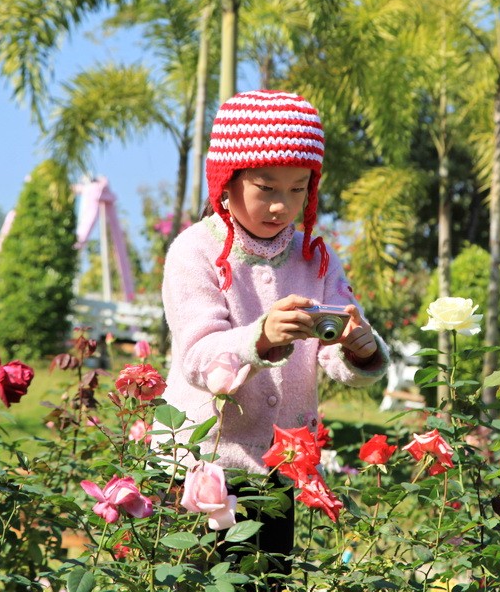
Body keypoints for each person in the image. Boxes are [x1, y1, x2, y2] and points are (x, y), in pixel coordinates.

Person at [160, 89, 389, 585]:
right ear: (227, 180)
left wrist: (360, 350)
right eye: (266, 187)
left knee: (267, 579)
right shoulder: (194, 252)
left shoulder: (317, 258)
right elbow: (198, 356)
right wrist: (258, 340)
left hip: (279, 467)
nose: (282, 206)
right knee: (195, 579)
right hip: (201, 465)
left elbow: (336, 354)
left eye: (298, 189)